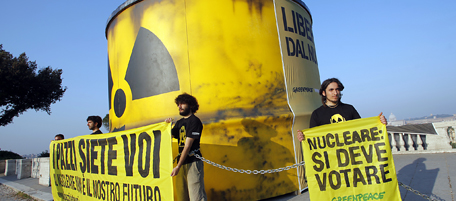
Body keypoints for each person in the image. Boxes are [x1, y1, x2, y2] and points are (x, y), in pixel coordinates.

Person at [298, 78, 387, 141]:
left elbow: (362, 129)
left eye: (337, 89)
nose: (335, 93)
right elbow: (313, 138)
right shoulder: (317, 114)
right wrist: (303, 137)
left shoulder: (349, 109)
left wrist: (378, 123)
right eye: (331, 90)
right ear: (324, 93)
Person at [165, 93, 207, 201]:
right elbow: (168, 136)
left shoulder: (195, 121)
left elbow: (187, 146)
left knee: (196, 197)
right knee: (182, 196)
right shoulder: (179, 123)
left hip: (193, 162)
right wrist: (166, 126)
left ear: (191, 105)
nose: (179, 106)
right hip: (181, 163)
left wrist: (177, 167)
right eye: (178, 104)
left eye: (182, 103)